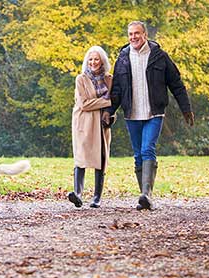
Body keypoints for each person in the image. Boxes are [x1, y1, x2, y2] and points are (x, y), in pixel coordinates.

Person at [102, 21, 194, 211]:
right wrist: (109, 112)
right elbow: (117, 90)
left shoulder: (159, 56)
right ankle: (144, 197)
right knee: (138, 155)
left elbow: (176, 83)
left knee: (147, 149)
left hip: (154, 112)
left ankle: (147, 195)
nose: (133, 37)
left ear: (145, 35)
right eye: (130, 34)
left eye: (137, 33)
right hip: (132, 113)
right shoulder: (123, 58)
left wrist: (186, 108)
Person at [68, 46, 114, 208]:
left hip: (101, 123)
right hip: (84, 122)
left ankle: (96, 197)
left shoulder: (109, 79)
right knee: (81, 157)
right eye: (90, 59)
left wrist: (110, 112)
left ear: (102, 61)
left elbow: (114, 104)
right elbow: (85, 104)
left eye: (96, 59)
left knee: (100, 158)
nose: (93, 62)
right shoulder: (81, 79)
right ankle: (77, 194)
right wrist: (108, 101)